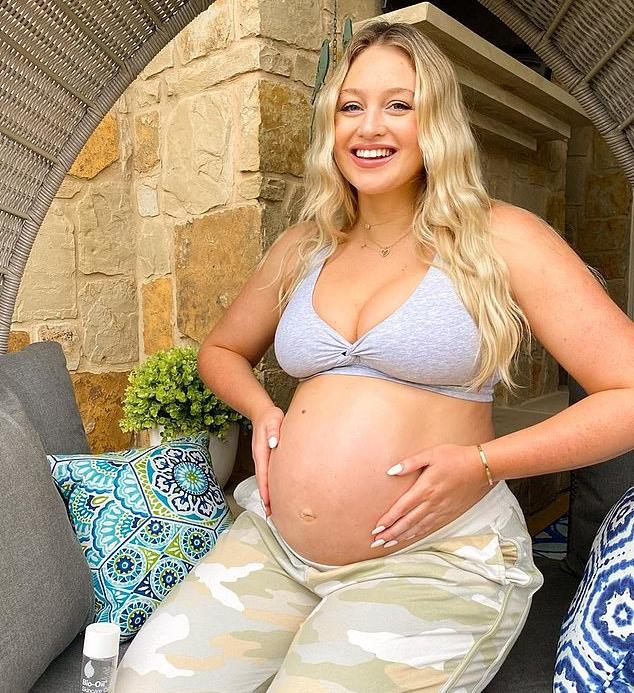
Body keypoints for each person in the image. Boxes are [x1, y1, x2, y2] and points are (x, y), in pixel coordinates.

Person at [115, 21, 634, 692]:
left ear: (436, 121)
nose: (369, 127)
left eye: (398, 105)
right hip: (274, 546)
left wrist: (483, 462)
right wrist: (262, 411)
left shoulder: (501, 236)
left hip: (434, 560)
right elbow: (221, 349)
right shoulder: (304, 246)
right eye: (350, 106)